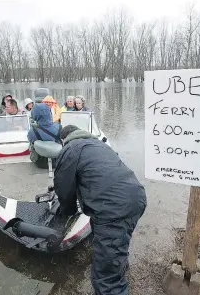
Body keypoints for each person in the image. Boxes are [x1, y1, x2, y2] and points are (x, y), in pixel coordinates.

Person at [52, 125, 147, 295]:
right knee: (116, 241)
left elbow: (63, 188)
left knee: (106, 279)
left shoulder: (69, 149)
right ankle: (117, 263)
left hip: (112, 208)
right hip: (136, 197)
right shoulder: (99, 145)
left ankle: (113, 275)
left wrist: (68, 211)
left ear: (63, 140)